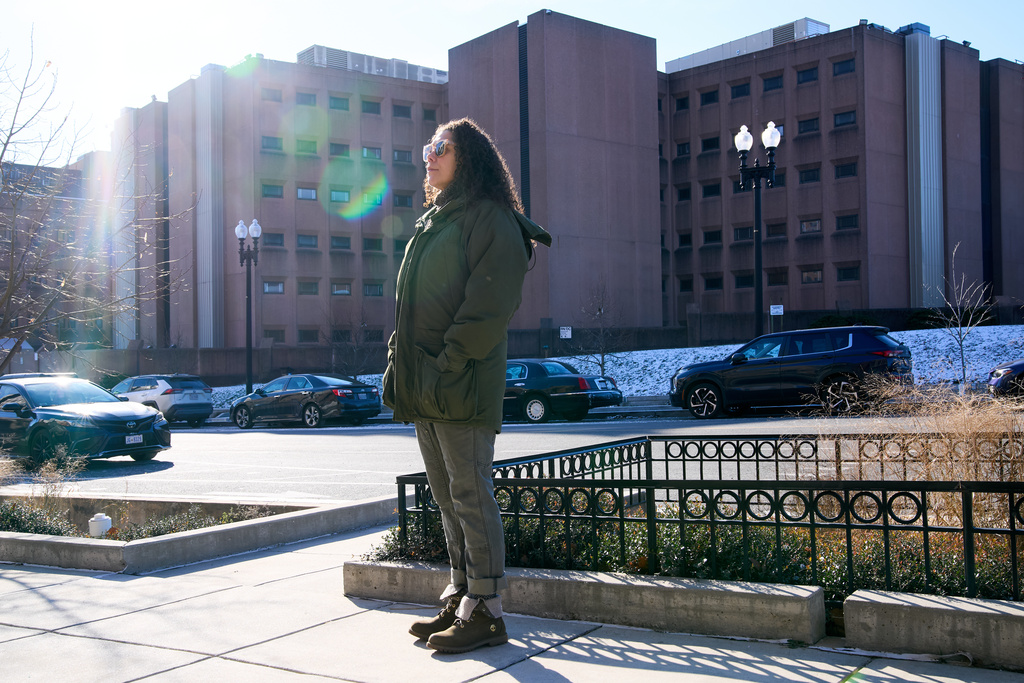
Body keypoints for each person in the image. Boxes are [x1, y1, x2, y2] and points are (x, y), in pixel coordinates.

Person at [382, 118, 550, 654]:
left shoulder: (492, 219)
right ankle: (462, 595)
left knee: (471, 497)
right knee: (448, 497)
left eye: (441, 147)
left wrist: (446, 364)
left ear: (469, 157)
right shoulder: (438, 218)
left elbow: (487, 307)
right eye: (427, 148)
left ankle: (488, 611)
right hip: (428, 385)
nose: (429, 156)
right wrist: (401, 363)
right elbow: (414, 305)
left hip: (461, 383)